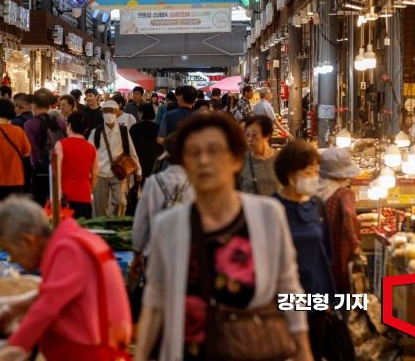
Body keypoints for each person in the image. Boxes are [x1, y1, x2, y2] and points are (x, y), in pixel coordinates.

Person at [135, 114, 312, 361]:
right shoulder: (168, 226)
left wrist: (303, 351)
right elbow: (155, 301)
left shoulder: (268, 215)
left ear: (236, 160)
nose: (204, 160)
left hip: (254, 348)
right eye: (193, 153)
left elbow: (290, 288)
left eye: (214, 150)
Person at [0, 197, 131, 361]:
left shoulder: (68, 249)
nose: (11, 260)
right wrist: (18, 308)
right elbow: (58, 295)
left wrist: (10, 350)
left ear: (27, 240)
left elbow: (47, 307)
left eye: (9, 251)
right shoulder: (73, 239)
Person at [273, 141, 334, 360]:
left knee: (314, 352)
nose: (314, 179)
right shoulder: (272, 209)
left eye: (317, 172)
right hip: (282, 298)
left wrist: (329, 298)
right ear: (291, 175)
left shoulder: (317, 205)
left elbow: (325, 254)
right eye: (309, 173)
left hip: (315, 296)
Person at [130, 140, 194, 281]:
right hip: (186, 253)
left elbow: (141, 220)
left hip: (154, 251)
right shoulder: (195, 182)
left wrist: (137, 253)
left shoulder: (153, 182)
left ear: (166, 155)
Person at [88, 100, 142, 217]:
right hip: (100, 173)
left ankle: (116, 224)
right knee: (99, 205)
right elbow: (89, 153)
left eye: (111, 111)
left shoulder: (123, 131)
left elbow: (131, 151)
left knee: (120, 202)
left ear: (117, 113)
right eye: (106, 111)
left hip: (119, 172)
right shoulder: (96, 132)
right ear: (102, 113)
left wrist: (138, 170)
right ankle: (101, 229)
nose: (109, 114)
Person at [319, 148, 361, 294]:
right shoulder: (344, 194)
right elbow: (349, 215)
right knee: (340, 288)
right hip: (340, 250)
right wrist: (355, 244)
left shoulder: (316, 192)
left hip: (320, 250)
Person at [24, 89, 67, 206]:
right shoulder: (60, 122)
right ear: (49, 105)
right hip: (60, 168)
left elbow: (31, 149)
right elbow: (65, 143)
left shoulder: (30, 124)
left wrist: (35, 165)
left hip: (40, 171)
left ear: (33, 105)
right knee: (57, 205)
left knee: (40, 206)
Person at [56, 112, 99, 219]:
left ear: (69, 125)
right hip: (84, 195)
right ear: (85, 130)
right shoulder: (91, 148)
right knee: (82, 230)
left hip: (64, 196)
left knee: (65, 232)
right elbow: (96, 173)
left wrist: (57, 192)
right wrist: (90, 190)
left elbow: (56, 169)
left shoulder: (61, 144)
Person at [237, 115, 281, 196]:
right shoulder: (241, 160)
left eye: (254, 135)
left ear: (267, 136)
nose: (250, 139)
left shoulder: (281, 159)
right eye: (247, 135)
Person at [129, 103, 163, 181]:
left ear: (141, 113)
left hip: (138, 164)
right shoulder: (158, 127)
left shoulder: (134, 128)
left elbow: (130, 146)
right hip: (154, 164)